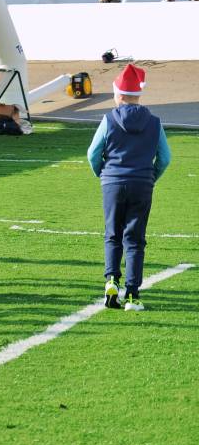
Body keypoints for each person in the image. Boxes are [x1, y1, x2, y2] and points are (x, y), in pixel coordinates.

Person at [87, 64, 171, 311]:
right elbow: (164, 157)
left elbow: (93, 153)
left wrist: (103, 174)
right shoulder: (154, 122)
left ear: (118, 94)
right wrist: (150, 177)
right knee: (135, 239)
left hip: (112, 181)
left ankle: (111, 280)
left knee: (113, 234)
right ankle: (133, 294)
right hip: (142, 183)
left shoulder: (109, 118)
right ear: (137, 94)